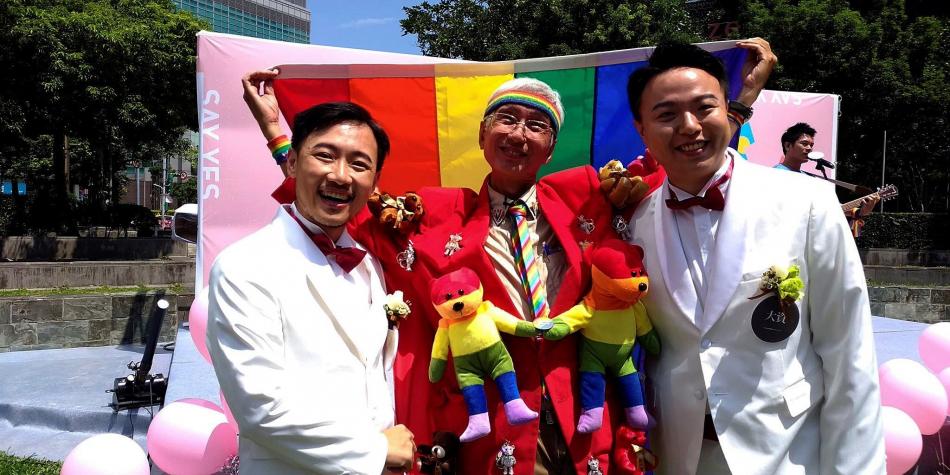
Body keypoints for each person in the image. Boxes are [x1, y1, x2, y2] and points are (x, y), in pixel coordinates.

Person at [241, 38, 775, 474]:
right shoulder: (435, 212)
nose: (519, 134)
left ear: (551, 147)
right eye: (507, 119)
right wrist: (276, 135)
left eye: (536, 125)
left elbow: (671, 158)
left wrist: (741, 101)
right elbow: (348, 200)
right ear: (482, 135)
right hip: (493, 421)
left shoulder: (587, 195)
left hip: (586, 412)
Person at [625, 43, 884, 474]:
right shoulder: (634, 224)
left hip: (787, 454)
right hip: (678, 456)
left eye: (704, 108)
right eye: (667, 114)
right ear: (642, 130)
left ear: (726, 110)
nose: (689, 126)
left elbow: (849, 352)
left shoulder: (807, 202)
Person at [205, 102, 416, 474]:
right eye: (325, 156)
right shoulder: (245, 265)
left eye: (359, 164)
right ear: (291, 162)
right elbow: (261, 407)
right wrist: (376, 451)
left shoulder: (369, 266)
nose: (340, 175)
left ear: (374, 181)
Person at [776, 122, 881, 237]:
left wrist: (862, 211)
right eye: (804, 144)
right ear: (787, 146)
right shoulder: (775, 174)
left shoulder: (809, 179)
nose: (809, 148)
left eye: (811, 145)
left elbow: (826, 207)